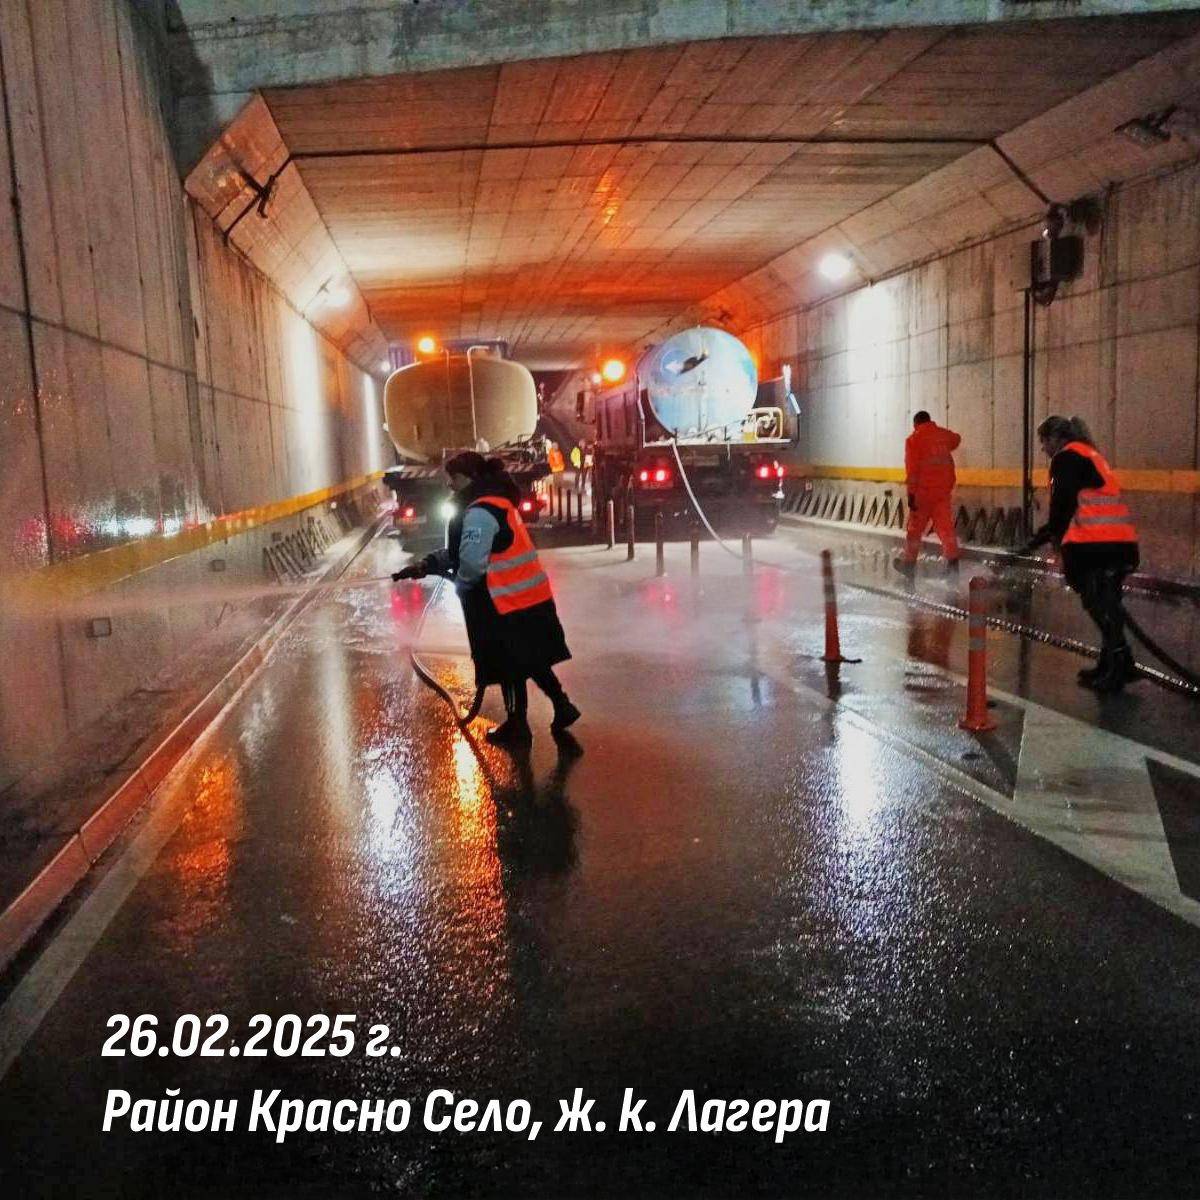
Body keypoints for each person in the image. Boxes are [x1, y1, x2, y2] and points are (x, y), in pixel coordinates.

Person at [393, 451, 580, 744]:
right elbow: (461, 553)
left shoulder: (480, 512)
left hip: (505, 602)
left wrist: (461, 585)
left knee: (511, 665)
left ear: (468, 478)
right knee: (528, 659)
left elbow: (471, 564)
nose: (450, 485)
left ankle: (519, 725)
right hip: (526, 599)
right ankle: (561, 705)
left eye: (453, 479)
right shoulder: (497, 503)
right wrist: (426, 565)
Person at [1019, 415, 1139, 692]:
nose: (1043, 448)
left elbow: (1063, 505)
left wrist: (1046, 538)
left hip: (1096, 545)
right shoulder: (1089, 454)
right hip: (1119, 544)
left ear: (1056, 438)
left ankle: (1121, 665)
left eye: (1044, 441)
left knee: (1100, 605)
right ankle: (1112, 662)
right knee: (1107, 606)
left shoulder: (1067, 458)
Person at [894, 411, 962, 576]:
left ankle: (909, 565)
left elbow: (912, 471)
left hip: (922, 495)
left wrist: (911, 494)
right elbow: (956, 439)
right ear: (929, 421)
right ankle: (953, 564)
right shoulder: (942, 435)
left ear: (916, 424)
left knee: (915, 531)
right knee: (946, 529)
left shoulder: (913, 440)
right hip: (942, 492)